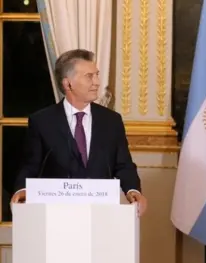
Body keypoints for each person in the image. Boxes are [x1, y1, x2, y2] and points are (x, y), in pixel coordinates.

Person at [10, 49, 147, 216]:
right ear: (68, 84)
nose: (97, 82)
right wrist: (22, 190)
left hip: (101, 215)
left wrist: (133, 190)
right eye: (89, 76)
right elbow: (30, 166)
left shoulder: (111, 121)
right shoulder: (42, 122)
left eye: (96, 75)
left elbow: (123, 165)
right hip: (56, 215)